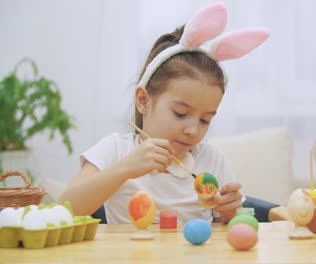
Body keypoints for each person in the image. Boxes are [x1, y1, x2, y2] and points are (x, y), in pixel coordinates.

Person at [58, 2, 270, 224]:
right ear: (143, 100)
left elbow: (227, 231)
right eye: (180, 113)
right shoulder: (116, 150)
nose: (193, 131)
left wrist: (228, 212)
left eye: (205, 120)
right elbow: (64, 209)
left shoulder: (210, 159)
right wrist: (125, 168)